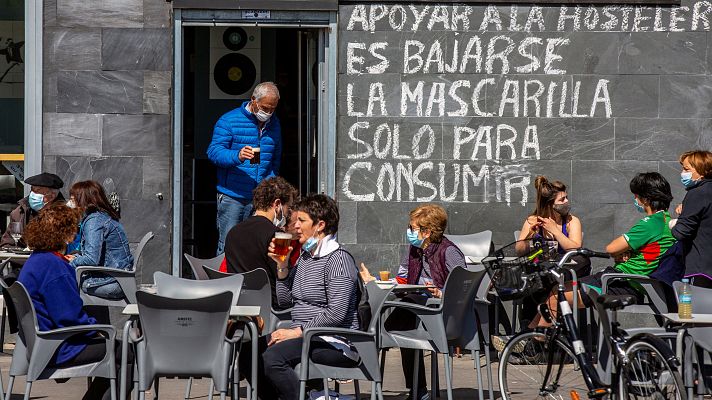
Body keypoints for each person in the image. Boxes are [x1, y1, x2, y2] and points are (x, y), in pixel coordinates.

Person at [240, 194, 360, 400]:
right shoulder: (306, 257)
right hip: (306, 336)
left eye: (301, 220)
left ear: (320, 225)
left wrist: (296, 332)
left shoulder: (338, 260)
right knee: (247, 353)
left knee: (273, 358)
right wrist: (282, 266)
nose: (295, 226)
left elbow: (337, 313)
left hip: (333, 340)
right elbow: (286, 301)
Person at [530, 172, 675, 329]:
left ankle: (537, 346)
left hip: (621, 282)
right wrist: (630, 253)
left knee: (556, 297)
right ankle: (529, 334)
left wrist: (620, 252)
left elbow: (611, 248)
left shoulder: (650, 223)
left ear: (646, 199)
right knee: (556, 290)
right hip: (623, 280)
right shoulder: (666, 221)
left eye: (636, 196)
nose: (635, 200)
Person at [18, 204, 124, 400]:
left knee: (119, 351)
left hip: (44, 343)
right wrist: (98, 329)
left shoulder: (36, 261)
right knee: (128, 351)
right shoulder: (55, 267)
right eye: (74, 228)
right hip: (60, 347)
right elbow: (70, 318)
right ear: (66, 234)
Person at [364, 204, 465, 400]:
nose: (409, 232)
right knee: (405, 317)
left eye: (413, 228)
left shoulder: (448, 252)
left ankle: (418, 390)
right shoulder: (414, 250)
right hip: (418, 310)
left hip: (443, 315)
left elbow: (463, 287)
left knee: (401, 321)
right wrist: (376, 282)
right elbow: (402, 278)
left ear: (427, 232)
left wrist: (442, 292)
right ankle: (419, 391)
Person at [207, 82, 282, 255]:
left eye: (273, 109)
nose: (268, 113)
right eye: (265, 108)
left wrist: (270, 185)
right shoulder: (229, 121)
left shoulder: (274, 124)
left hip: (260, 198)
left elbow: (275, 158)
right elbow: (214, 152)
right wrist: (237, 156)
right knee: (228, 242)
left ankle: (251, 281)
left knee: (256, 245)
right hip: (233, 195)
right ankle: (225, 281)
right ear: (253, 101)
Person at [512, 176, 589, 333]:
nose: (566, 202)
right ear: (550, 204)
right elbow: (519, 250)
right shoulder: (533, 220)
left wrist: (555, 230)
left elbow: (575, 249)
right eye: (562, 200)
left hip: (561, 275)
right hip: (541, 276)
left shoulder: (572, 221)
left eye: (566, 197)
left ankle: (531, 333)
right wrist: (530, 237)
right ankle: (536, 336)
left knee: (582, 261)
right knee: (539, 282)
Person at [224, 176, 297, 308]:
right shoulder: (278, 237)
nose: (288, 214)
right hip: (274, 309)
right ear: (277, 204)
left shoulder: (233, 232)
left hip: (239, 307)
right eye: (288, 208)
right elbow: (287, 280)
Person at [66, 180, 133, 300]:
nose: (70, 201)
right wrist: (76, 257)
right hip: (115, 279)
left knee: (60, 284)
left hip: (108, 282)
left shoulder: (94, 221)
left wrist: (68, 264)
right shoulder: (100, 217)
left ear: (84, 199)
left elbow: (91, 259)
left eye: (73, 197)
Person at [671, 150, 712, 286]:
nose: (682, 173)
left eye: (686, 169)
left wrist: (674, 223)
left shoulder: (697, 193)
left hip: (701, 268)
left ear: (702, 170)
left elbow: (681, 232)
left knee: (691, 307)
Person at [1, 172, 65, 248]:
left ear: (52, 196)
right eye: (32, 190)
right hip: (21, 259)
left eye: (37, 191)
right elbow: (7, 243)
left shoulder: (65, 214)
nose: (32, 194)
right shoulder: (20, 212)